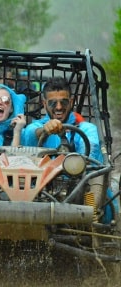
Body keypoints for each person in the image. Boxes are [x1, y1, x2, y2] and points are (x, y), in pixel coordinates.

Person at [23, 76, 117, 223]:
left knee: (96, 171)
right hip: (41, 193)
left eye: (64, 102)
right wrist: (45, 130)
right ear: (44, 104)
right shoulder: (35, 127)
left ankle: (91, 219)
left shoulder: (87, 129)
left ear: (71, 102)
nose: (59, 107)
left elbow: (92, 148)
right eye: (53, 103)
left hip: (79, 191)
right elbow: (29, 135)